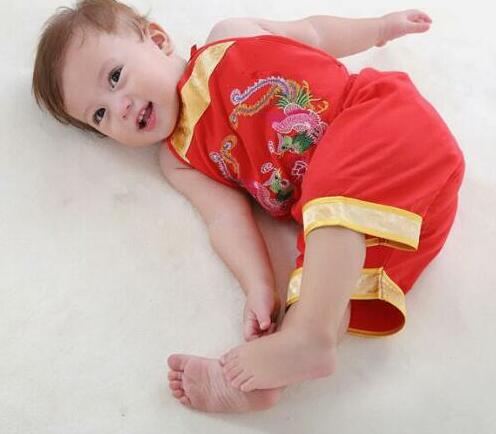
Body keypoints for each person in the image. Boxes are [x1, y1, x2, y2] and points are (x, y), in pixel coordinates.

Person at [32, 0, 465, 413]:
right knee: (318, 288)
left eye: (115, 77)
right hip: (402, 219)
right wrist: (259, 287)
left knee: (331, 203)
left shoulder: (230, 36)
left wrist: (379, 28)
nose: (120, 107)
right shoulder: (179, 160)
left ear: (158, 40)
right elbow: (226, 220)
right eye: (100, 116)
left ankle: (307, 336)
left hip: (381, 122)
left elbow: (315, 33)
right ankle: (264, 379)